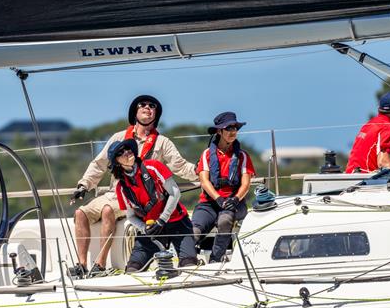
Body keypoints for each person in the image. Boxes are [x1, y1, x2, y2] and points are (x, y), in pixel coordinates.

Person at [69, 95, 197, 277]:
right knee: (80, 213)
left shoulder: (162, 142)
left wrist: (199, 171)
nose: (147, 108)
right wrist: (83, 186)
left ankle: (100, 265)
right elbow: (99, 164)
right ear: (134, 112)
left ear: (156, 114)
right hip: (117, 191)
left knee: (107, 210)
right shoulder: (118, 137)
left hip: (138, 200)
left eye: (152, 106)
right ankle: (82, 265)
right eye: (142, 105)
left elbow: (180, 166)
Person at [111, 139, 197, 271]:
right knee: (133, 269)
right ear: (117, 163)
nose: (127, 152)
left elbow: (175, 193)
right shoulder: (121, 187)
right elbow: (130, 216)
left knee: (189, 265)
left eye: (127, 148)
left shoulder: (153, 166)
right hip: (151, 229)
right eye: (121, 152)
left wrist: (162, 220)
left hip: (177, 221)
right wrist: (144, 228)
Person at [191, 112, 255, 263]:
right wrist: (218, 198)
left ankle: (216, 259)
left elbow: (246, 184)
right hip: (209, 203)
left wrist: (235, 199)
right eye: (229, 128)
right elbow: (204, 181)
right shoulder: (207, 154)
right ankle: (188, 259)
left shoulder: (243, 156)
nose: (233, 131)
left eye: (236, 128)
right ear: (219, 131)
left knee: (225, 221)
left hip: (234, 203)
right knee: (194, 231)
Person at [345, 91, 390, 173]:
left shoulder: (368, 125)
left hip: (350, 177)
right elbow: (383, 163)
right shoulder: (387, 129)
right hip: (365, 181)